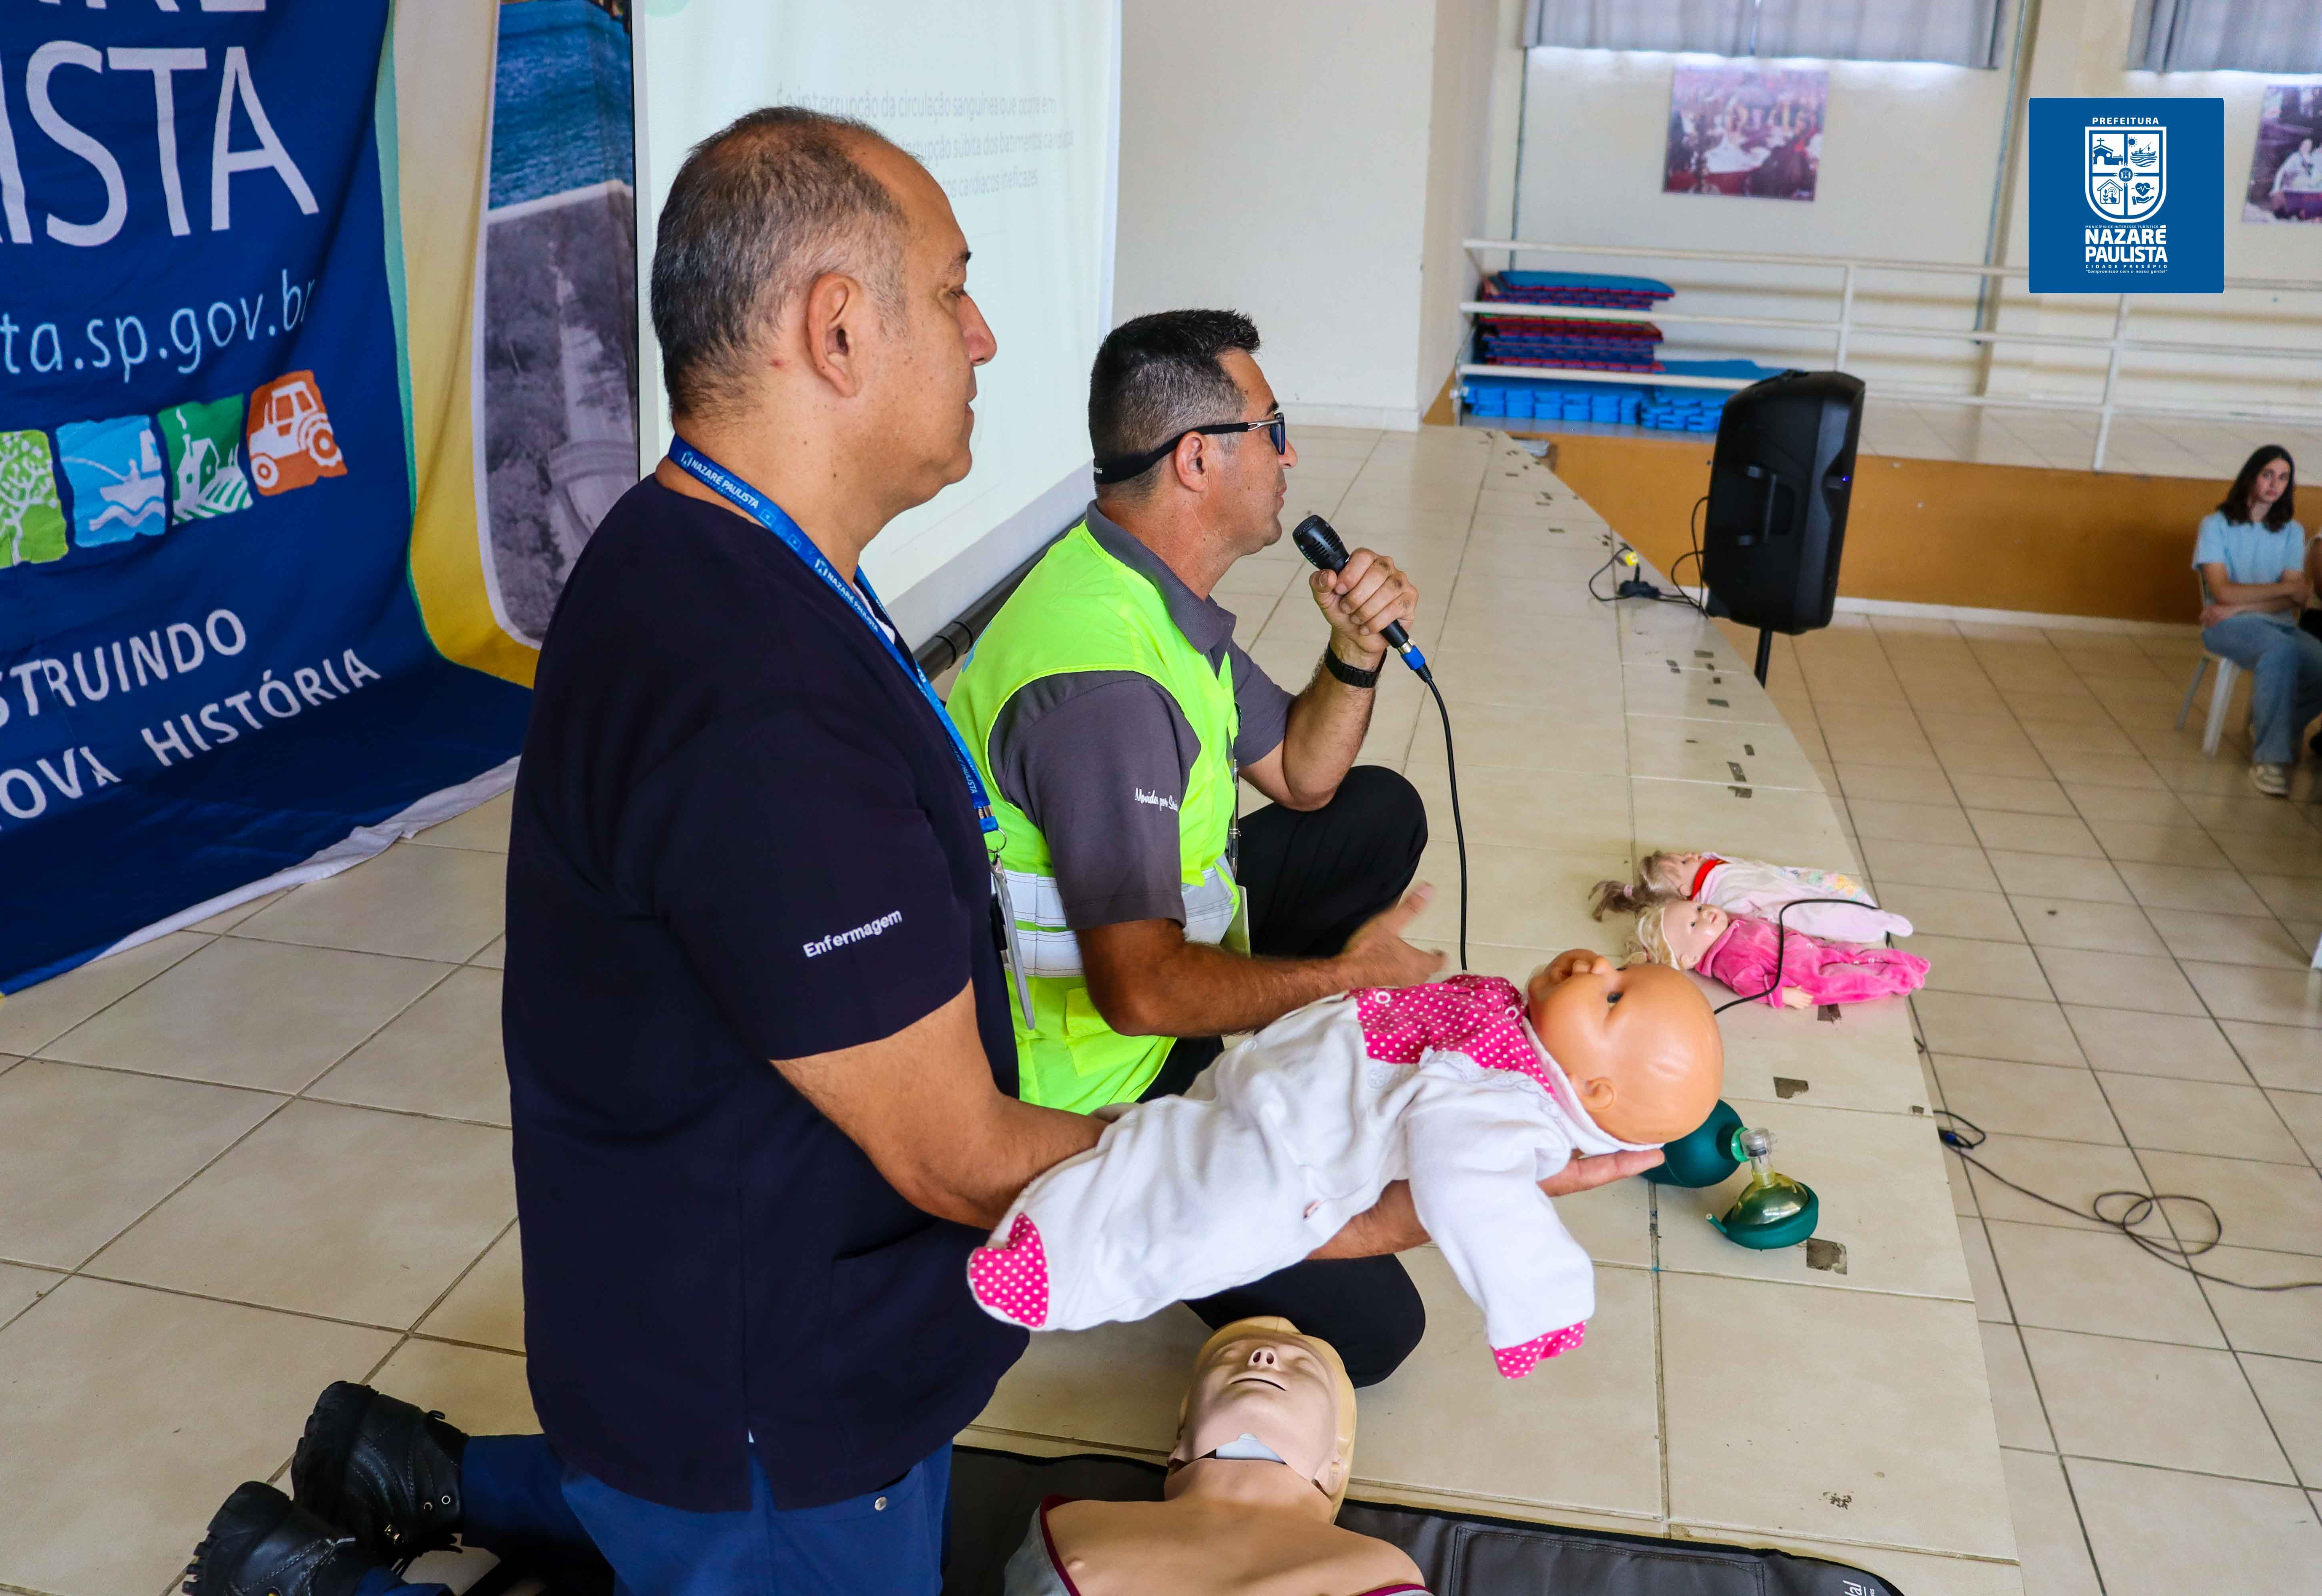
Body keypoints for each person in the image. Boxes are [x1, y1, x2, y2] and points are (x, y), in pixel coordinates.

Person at [182, 110, 1652, 1596]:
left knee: (677, 1514)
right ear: (835, 328)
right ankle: (300, 1579)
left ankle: (407, 1467)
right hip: (770, 1388)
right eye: (952, 291)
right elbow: (959, 1155)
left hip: (734, 1304)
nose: (985, 334)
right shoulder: (759, 701)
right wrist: (1346, 1197)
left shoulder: (724, 556)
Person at [945, 309, 1445, 1386]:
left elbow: (1304, 776)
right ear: (1197, 458)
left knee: (1375, 811)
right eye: (1272, 426)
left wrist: (1354, 655)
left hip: (1158, 965)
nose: (1290, 453)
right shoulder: (1104, 683)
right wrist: (1347, 988)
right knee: (1374, 1332)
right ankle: (1153, 1206)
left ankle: (1269, 1051)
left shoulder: (1141, 587)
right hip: (1092, 1077)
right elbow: (1140, 993)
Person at [2195, 444, 2319, 796]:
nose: (2274, 484)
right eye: (2267, 474)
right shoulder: (2215, 525)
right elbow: (2222, 593)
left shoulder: (2293, 532)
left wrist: (2240, 604)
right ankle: (2270, 759)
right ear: (2251, 476)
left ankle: (2277, 726)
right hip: (2224, 626)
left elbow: (2296, 597)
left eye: (2283, 478)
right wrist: (2274, 594)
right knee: (2279, 652)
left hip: (2274, 623)